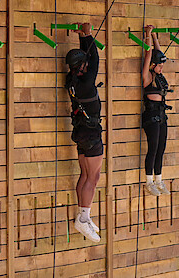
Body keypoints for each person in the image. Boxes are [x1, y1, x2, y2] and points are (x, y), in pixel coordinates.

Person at [65, 22, 103, 243]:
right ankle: (83, 218)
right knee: (93, 177)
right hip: (90, 133)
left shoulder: (73, 81)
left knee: (86, 175)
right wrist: (88, 35)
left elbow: (88, 60)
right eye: (85, 64)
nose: (89, 66)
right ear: (81, 66)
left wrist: (83, 39)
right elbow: (95, 60)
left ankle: (83, 215)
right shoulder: (87, 82)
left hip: (82, 133)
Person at [141, 25, 172, 196]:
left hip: (161, 115)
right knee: (153, 148)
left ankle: (159, 181)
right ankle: (149, 182)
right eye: (159, 66)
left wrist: (154, 36)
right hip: (151, 116)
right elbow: (149, 54)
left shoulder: (159, 75)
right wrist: (147, 35)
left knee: (161, 148)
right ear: (152, 65)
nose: (161, 68)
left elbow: (158, 54)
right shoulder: (148, 77)